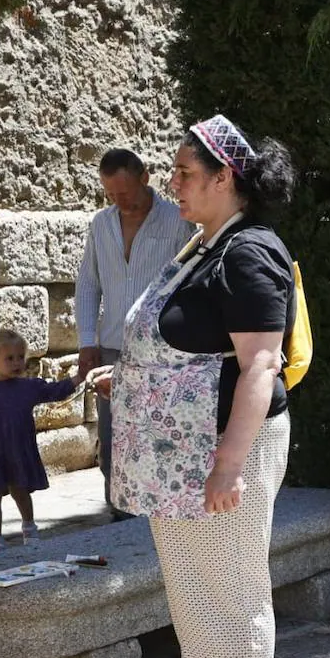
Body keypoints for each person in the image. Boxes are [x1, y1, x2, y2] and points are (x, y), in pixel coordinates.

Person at [98, 116, 296, 658]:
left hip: (219, 451)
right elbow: (184, 343)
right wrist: (130, 376)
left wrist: (229, 465)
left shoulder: (250, 251)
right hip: (178, 451)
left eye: (185, 172)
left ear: (225, 178)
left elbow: (261, 362)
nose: (173, 183)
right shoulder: (203, 245)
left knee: (234, 592)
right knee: (190, 586)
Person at [76, 148, 190, 521]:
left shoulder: (178, 221)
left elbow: (186, 287)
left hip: (160, 354)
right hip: (111, 350)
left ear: (145, 177)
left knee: (156, 439)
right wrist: (86, 341)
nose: (119, 201)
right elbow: (89, 284)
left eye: (124, 192)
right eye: (111, 195)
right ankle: (118, 519)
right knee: (112, 441)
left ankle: (156, 520)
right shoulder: (101, 224)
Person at [0, 329, 80, 555]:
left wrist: (79, 377)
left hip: (17, 451)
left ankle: (29, 527)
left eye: (20, 357)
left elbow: (55, 391)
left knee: (20, 490)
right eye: (9, 358)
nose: (16, 363)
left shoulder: (28, 387)